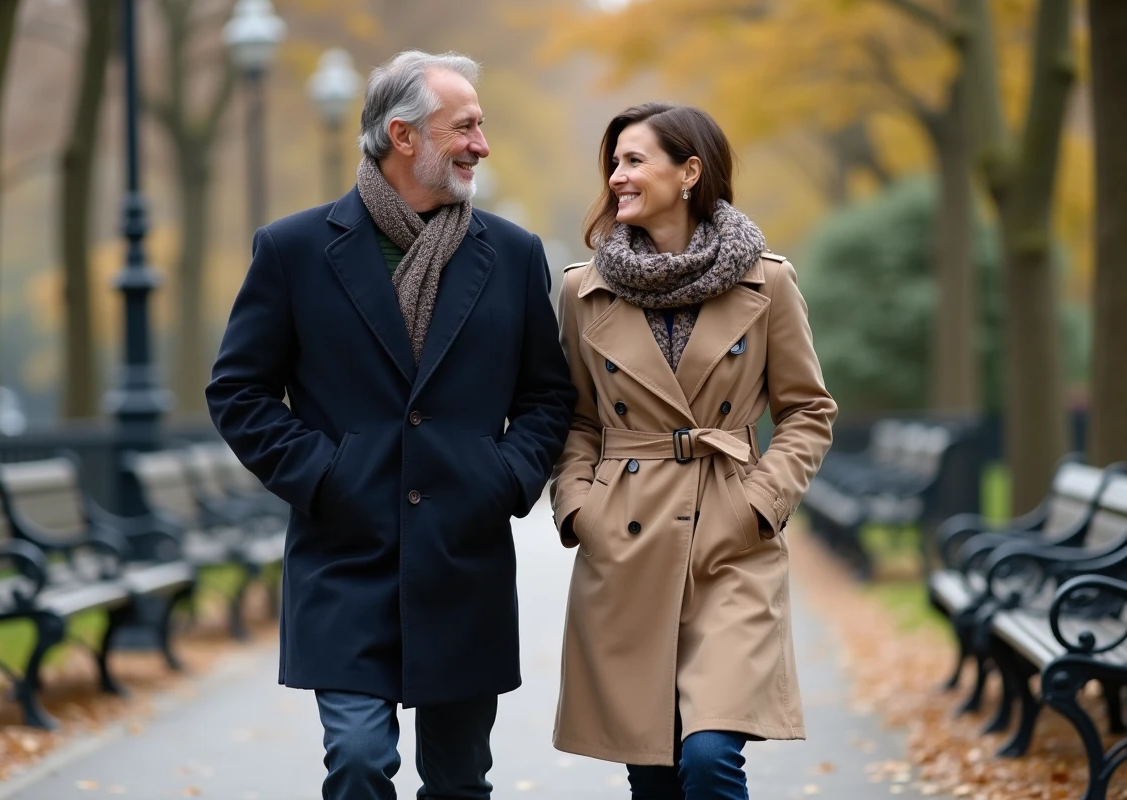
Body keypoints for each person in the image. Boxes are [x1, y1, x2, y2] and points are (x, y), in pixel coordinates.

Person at [206, 50, 575, 800]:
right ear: (403, 136)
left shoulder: (511, 255)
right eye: (465, 125)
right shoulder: (294, 249)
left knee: (459, 779)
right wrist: (324, 474)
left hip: (461, 554)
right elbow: (238, 390)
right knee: (358, 758)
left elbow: (547, 395)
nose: (482, 143)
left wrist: (501, 477)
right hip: (344, 554)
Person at [549, 102, 837, 798]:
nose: (617, 176)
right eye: (613, 162)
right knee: (651, 773)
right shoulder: (582, 292)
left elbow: (807, 411)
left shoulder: (766, 283)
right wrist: (579, 506)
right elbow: (573, 422)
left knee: (708, 757)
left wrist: (759, 505)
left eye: (633, 160)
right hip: (625, 543)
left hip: (730, 544)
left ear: (689, 172)